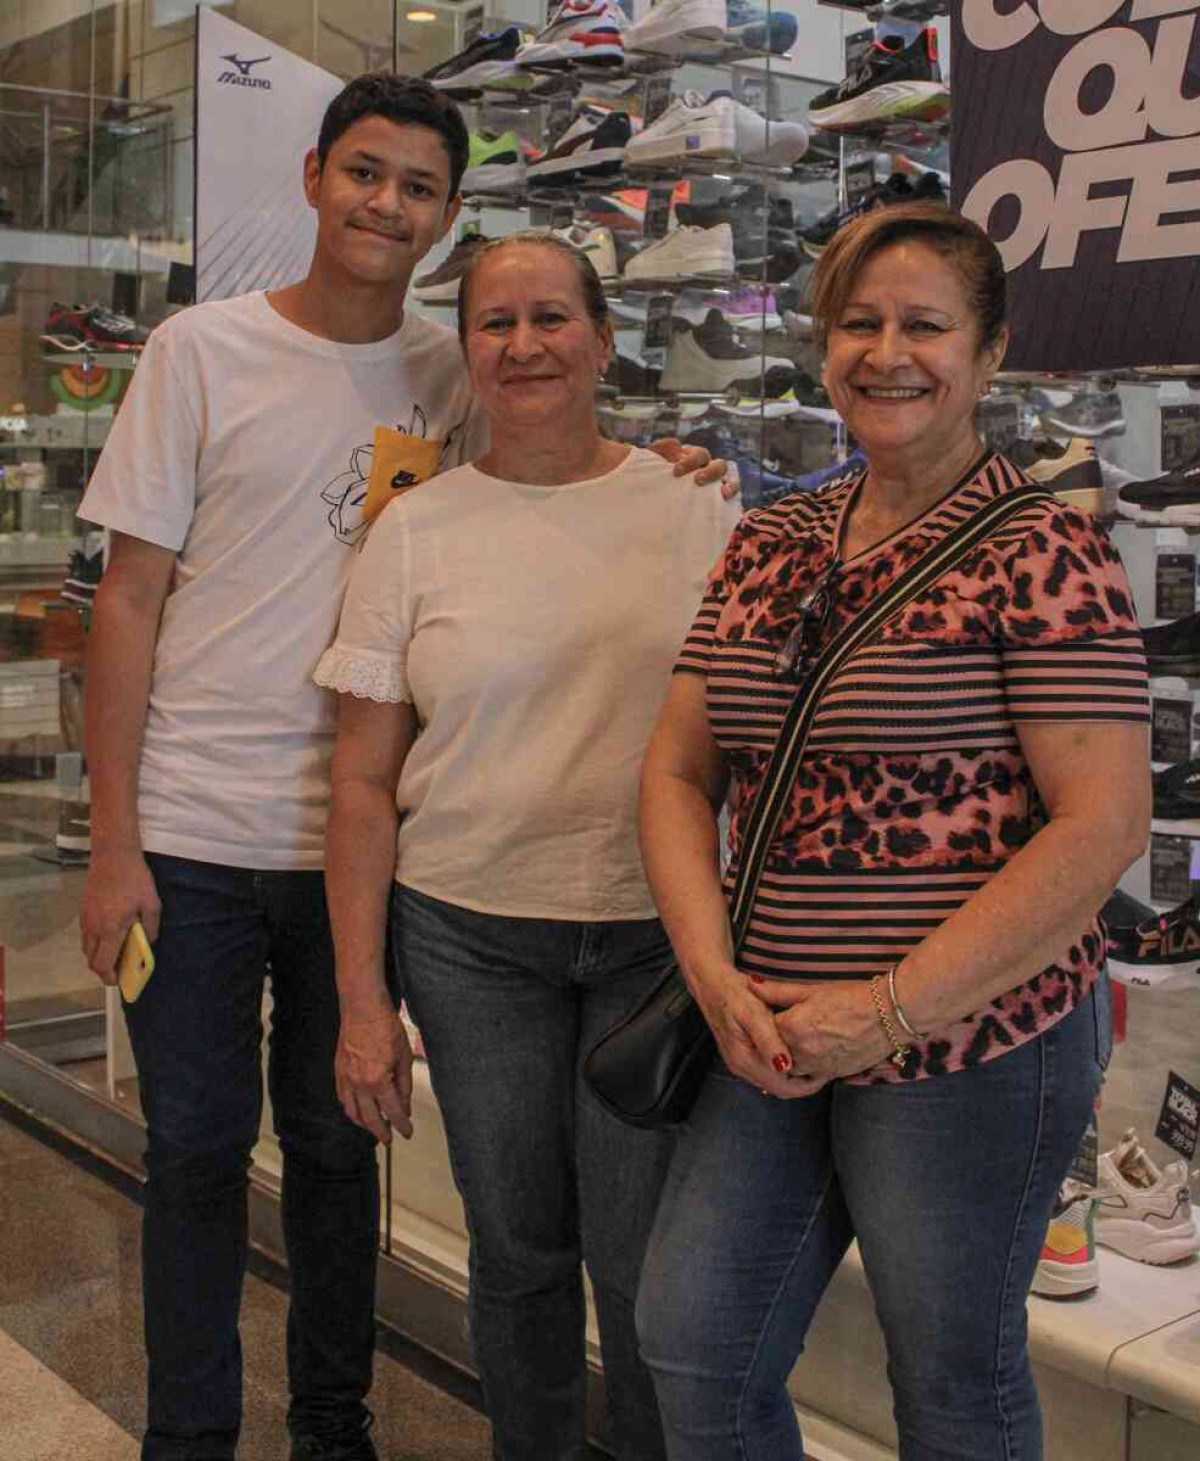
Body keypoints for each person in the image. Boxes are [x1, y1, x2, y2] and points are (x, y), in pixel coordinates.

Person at [77, 75, 719, 1461]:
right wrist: (111, 834)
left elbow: (555, 483)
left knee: (331, 1155)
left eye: (419, 187)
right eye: (365, 173)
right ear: (314, 178)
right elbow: (125, 600)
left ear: (445, 214)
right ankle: (188, 1437)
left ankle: (332, 1428)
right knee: (191, 1151)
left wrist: (678, 463)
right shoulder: (200, 350)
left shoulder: (451, 365)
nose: (388, 204)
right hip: (193, 827)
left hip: (361, 852)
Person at [635, 202, 1152, 1461]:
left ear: (988, 355)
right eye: (857, 323)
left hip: (974, 1037)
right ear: (822, 346)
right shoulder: (771, 537)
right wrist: (713, 981)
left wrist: (892, 1007)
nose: (887, 352)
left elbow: (1104, 823)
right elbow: (677, 771)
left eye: (925, 324)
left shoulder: (1048, 545)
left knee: (953, 1382)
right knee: (693, 1341)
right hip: (765, 1025)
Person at [316, 231, 739, 1461]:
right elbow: (361, 780)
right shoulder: (414, 530)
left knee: (645, 1269)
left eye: (551, 318)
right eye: (494, 324)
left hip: (657, 943)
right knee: (517, 1253)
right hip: (467, 942)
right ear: (467, 353)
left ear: (606, 341)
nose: (524, 345)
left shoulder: (697, 504)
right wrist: (360, 999)